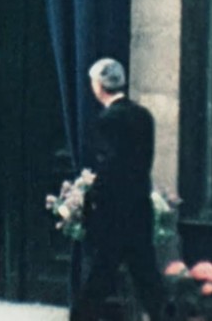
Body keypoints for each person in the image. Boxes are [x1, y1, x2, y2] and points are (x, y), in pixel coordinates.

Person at [70, 58, 167, 321]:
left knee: (98, 279)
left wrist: (89, 198)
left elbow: (110, 168)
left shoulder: (108, 120)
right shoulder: (143, 116)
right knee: (148, 279)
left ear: (99, 85)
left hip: (113, 214)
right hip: (139, 208)